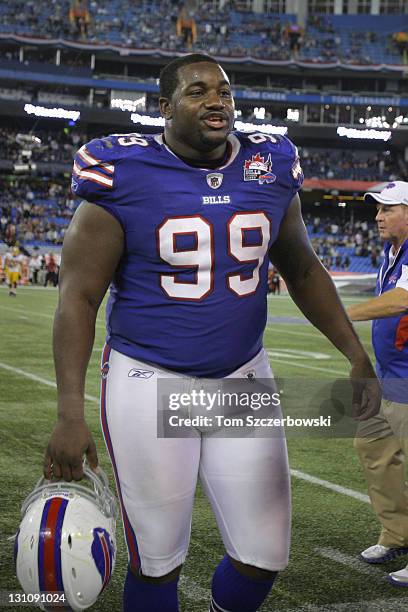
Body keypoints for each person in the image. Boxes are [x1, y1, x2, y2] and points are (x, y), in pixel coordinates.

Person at [44, 53, 381, 612]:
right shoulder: (121, 172)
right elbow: (77, 297)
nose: (216, 102)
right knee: (157, 562)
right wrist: (69, 412)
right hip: (149, 377)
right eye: (197, 91)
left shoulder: (270, 163)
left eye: (223, 91)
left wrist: (352, 351)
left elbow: (301, 267)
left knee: (264, 555)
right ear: (164, 107)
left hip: (241, 379)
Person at [347, 181, 408, 586]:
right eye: (378, 209)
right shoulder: (392, 252)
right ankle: (397, 533)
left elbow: (401, 301)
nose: (378, 216)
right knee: (372, 446)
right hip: (390, 376)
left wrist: (340, 312)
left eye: (387, 208)